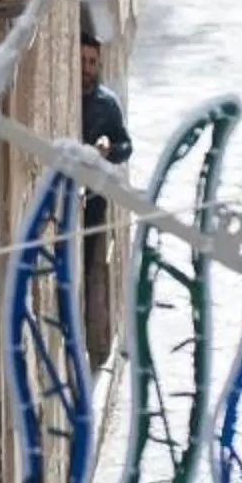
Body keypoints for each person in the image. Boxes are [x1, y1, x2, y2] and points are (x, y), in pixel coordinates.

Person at [79, 27, 132, 362]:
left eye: (92, 62)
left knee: (83, 267)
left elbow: (127, 145)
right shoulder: (65, 95)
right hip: (65, 197)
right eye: (83, 60)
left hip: (93, 202)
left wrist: (109, 148)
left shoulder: (106, 104)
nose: (87, 67)